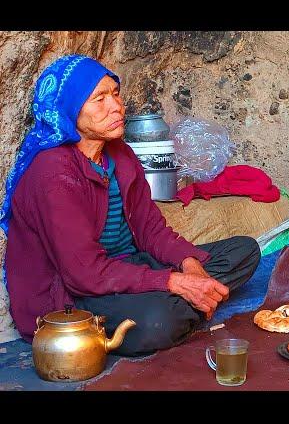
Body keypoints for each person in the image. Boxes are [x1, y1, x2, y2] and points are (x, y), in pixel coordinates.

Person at [1, 55, 261, 356]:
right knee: (156, 321)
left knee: (245, 251)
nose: (116, 106)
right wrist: (172, 282)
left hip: (131, 267)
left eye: (115, 94)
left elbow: (151, 230)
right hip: (76, 294)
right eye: (99, 99)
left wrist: (190, 266)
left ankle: (186, 303)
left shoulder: (120, 154)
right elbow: (85, 274)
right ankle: (179, 309)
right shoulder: (53, 173)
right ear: (69, 111)